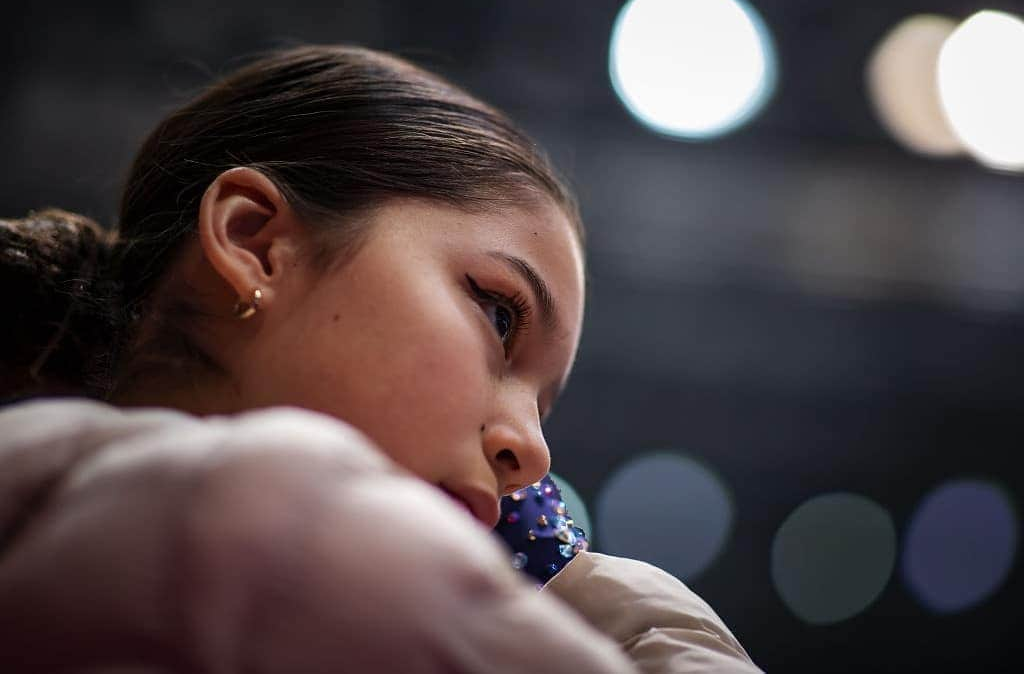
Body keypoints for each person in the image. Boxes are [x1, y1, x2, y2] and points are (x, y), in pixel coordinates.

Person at [0, 44, 762, 673]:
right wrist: (646, 628)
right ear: (256, 243)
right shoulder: (278, 515)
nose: (531, 452)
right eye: (499, 317)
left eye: (543, 404)